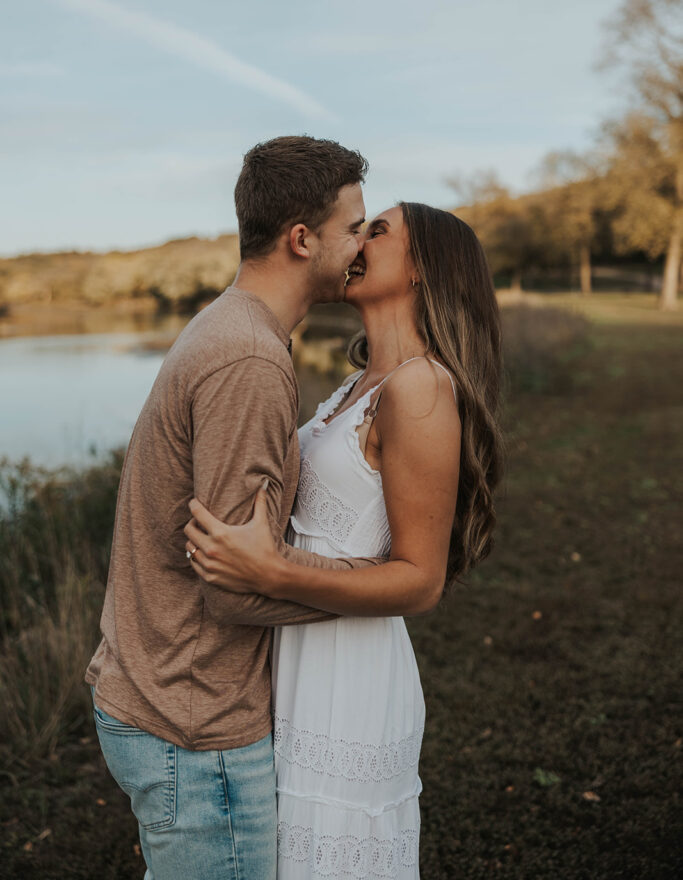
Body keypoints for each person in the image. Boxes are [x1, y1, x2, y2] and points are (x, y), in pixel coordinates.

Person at [85, 135, 393, 880]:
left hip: (165, 701)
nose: (361, 243)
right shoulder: (249, 361)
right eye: (353, 226)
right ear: (299, 239)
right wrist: (381, 595)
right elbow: (233, 587)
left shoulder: (231, 328)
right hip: (194, 728)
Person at [185, 202, 504, 879]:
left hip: (349, 675)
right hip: (295, 654)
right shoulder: (356, 386)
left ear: (423, 271)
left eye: (377, 230)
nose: (357, 241)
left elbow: (419, 579)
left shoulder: (419, 388)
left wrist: (270, 572)